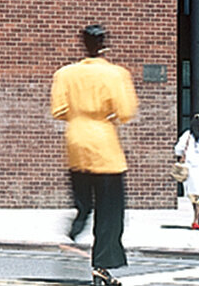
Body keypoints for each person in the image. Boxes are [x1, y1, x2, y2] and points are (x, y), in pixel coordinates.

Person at [51, 24, 139, 286]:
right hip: (105, 147)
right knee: (110, 211)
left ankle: (79, 219)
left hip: (76, 142)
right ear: (104, 45)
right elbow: (125, 111)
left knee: (85, 199)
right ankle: (101, 264)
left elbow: (59, 110)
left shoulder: (65, 74)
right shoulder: (116, 74)